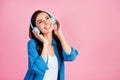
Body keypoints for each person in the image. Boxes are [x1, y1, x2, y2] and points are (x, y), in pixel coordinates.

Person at [24, 10, 78, 80]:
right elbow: (37, 69)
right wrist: (45, 44)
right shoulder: (32, 44)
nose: (46, 22)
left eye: (47, 18)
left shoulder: (57, 43)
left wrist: (59, 33)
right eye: (40, 22)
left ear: (53, 20)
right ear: (36, 29)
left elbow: (71, 56)